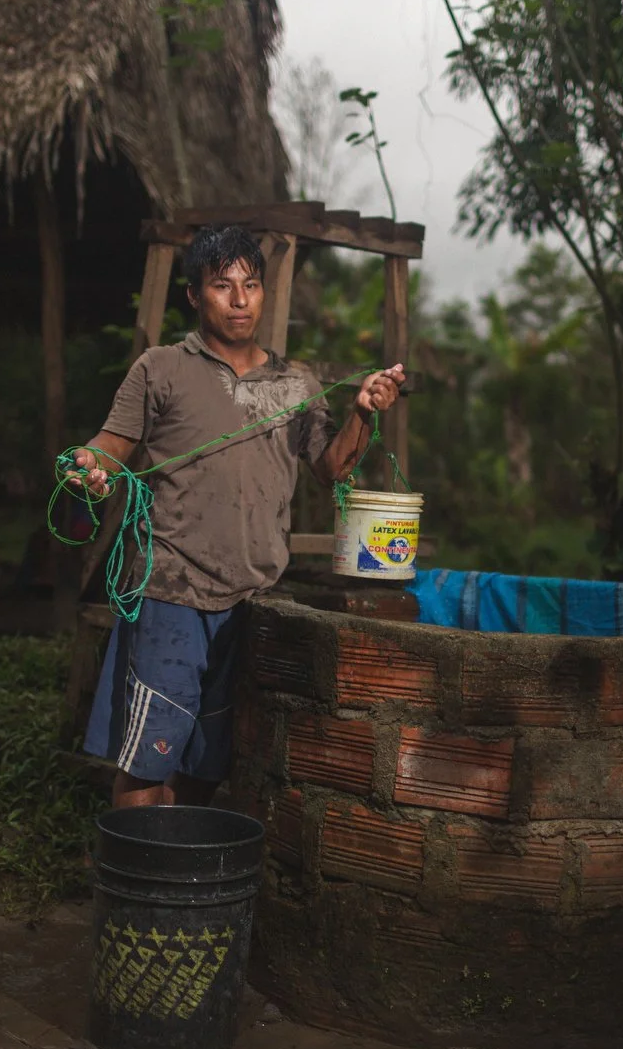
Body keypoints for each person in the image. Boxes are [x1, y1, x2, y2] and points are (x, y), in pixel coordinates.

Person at [72, 223, 405, 810]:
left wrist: (363, 412)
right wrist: (86, 467)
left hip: (253, 597)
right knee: (148, 763)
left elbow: (332, 469)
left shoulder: (294, 383)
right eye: (222, 286)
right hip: (171, 589)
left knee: (209, 763)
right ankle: (137, 893)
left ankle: (183, 880)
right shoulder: (161, 369)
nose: (239, 298)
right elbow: (109, 448)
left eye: (250, 285)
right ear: (195, 296)